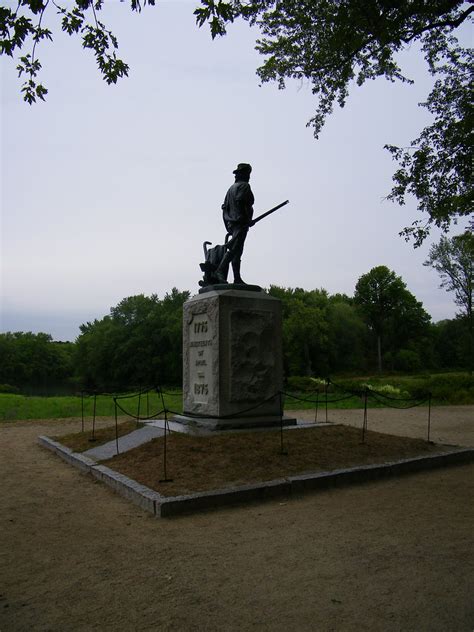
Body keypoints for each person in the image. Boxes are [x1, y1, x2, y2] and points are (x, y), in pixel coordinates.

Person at [216, 163, 254, 284]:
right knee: (234, 249)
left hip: (233, 223)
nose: (249, 177)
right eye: (248, 174)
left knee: (237, 251)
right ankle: (220, 270)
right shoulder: (244, 186)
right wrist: (247, 218)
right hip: (240, 222)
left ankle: (237, 278)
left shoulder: (231, 189)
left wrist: (228, 223)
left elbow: (224, 208)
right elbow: (241, 202)